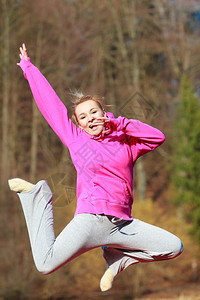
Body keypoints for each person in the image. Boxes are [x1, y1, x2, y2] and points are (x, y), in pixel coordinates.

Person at [8, 43, 183, 292]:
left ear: (104, 113)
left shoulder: (125, 141)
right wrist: (29, 68)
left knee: (174, 247)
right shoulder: (76, 140)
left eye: (94, 112)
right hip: (89, 221)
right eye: (83, 116)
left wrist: (120, 124)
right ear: (78, 124)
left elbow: (157, 137)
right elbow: (51, 105)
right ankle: (38, 196)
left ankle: (120, 258)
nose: (90, 118)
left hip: (122, 225)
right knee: (45, 264)